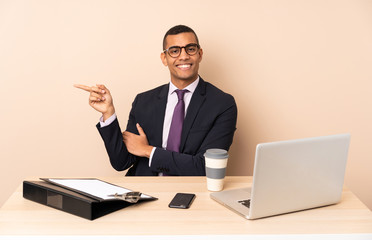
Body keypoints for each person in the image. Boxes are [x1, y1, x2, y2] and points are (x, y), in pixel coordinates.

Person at [75, 25, 237, 176]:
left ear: (200, 54)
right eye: (174, 51)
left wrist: (148, 150)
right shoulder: (143, 101)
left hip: (190, 192)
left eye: (190, 49)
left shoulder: (222, 104)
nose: (183, 56)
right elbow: (121, 162)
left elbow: (206, 167)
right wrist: (108, 113)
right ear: (164, 58)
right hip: (145, 190)